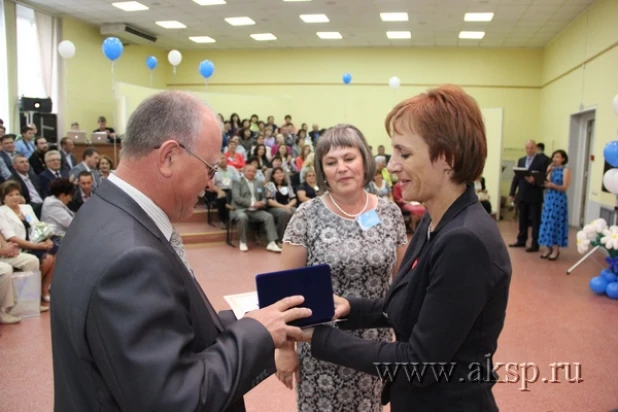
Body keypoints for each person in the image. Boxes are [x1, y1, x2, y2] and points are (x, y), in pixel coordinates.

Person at [50, 91, 312, 412]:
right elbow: (177, 398)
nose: (211, 185)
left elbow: (163, 328)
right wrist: (256, 333)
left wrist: (248, 320)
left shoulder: (101, 212)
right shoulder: (133, 259)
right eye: (210, 169)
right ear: (169, 157)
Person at [289, 85, 512, 412]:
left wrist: (318, 337)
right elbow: (414, 304)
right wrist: (350, 307)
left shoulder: (465, 242)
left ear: (446, 158)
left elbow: (418, 362)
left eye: (404, 154)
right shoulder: (436, 220)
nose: (390, 166)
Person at [276, 124, 408, 412]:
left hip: (375, 348)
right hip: (321, 347)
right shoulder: (307, 215)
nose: (342, 168)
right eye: (331, 162)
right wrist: (284, 350)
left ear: (365, 160)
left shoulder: (390, 213)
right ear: (322, 171)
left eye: (349, 158)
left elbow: (403, 285)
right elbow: (285, 292)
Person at [509, 140, 550, 252]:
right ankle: (521, 240)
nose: (529, 150)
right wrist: (512, 193)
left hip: (535, 195)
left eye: (531, 148)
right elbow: (516, 177)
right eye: (527, 148)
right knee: (522, 219)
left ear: (535, 148)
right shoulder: (521, 160)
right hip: (522, 194)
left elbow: (544, 178)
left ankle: (535, 243)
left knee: (535, 220)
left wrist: (534, 180)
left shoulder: (543, 160)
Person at [539, 150, 570, 260]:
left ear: (563, 159)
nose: (555, 159)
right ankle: (548, 248)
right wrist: (549, 172)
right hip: (549, 198)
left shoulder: (565, 170)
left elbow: (564, 187)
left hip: (559, 199)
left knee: (556, 223)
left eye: (557, 157)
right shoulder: (552, 168)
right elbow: (546, 183)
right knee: (547, 222)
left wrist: (553, 185)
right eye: (554, 157)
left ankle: (556, 249)